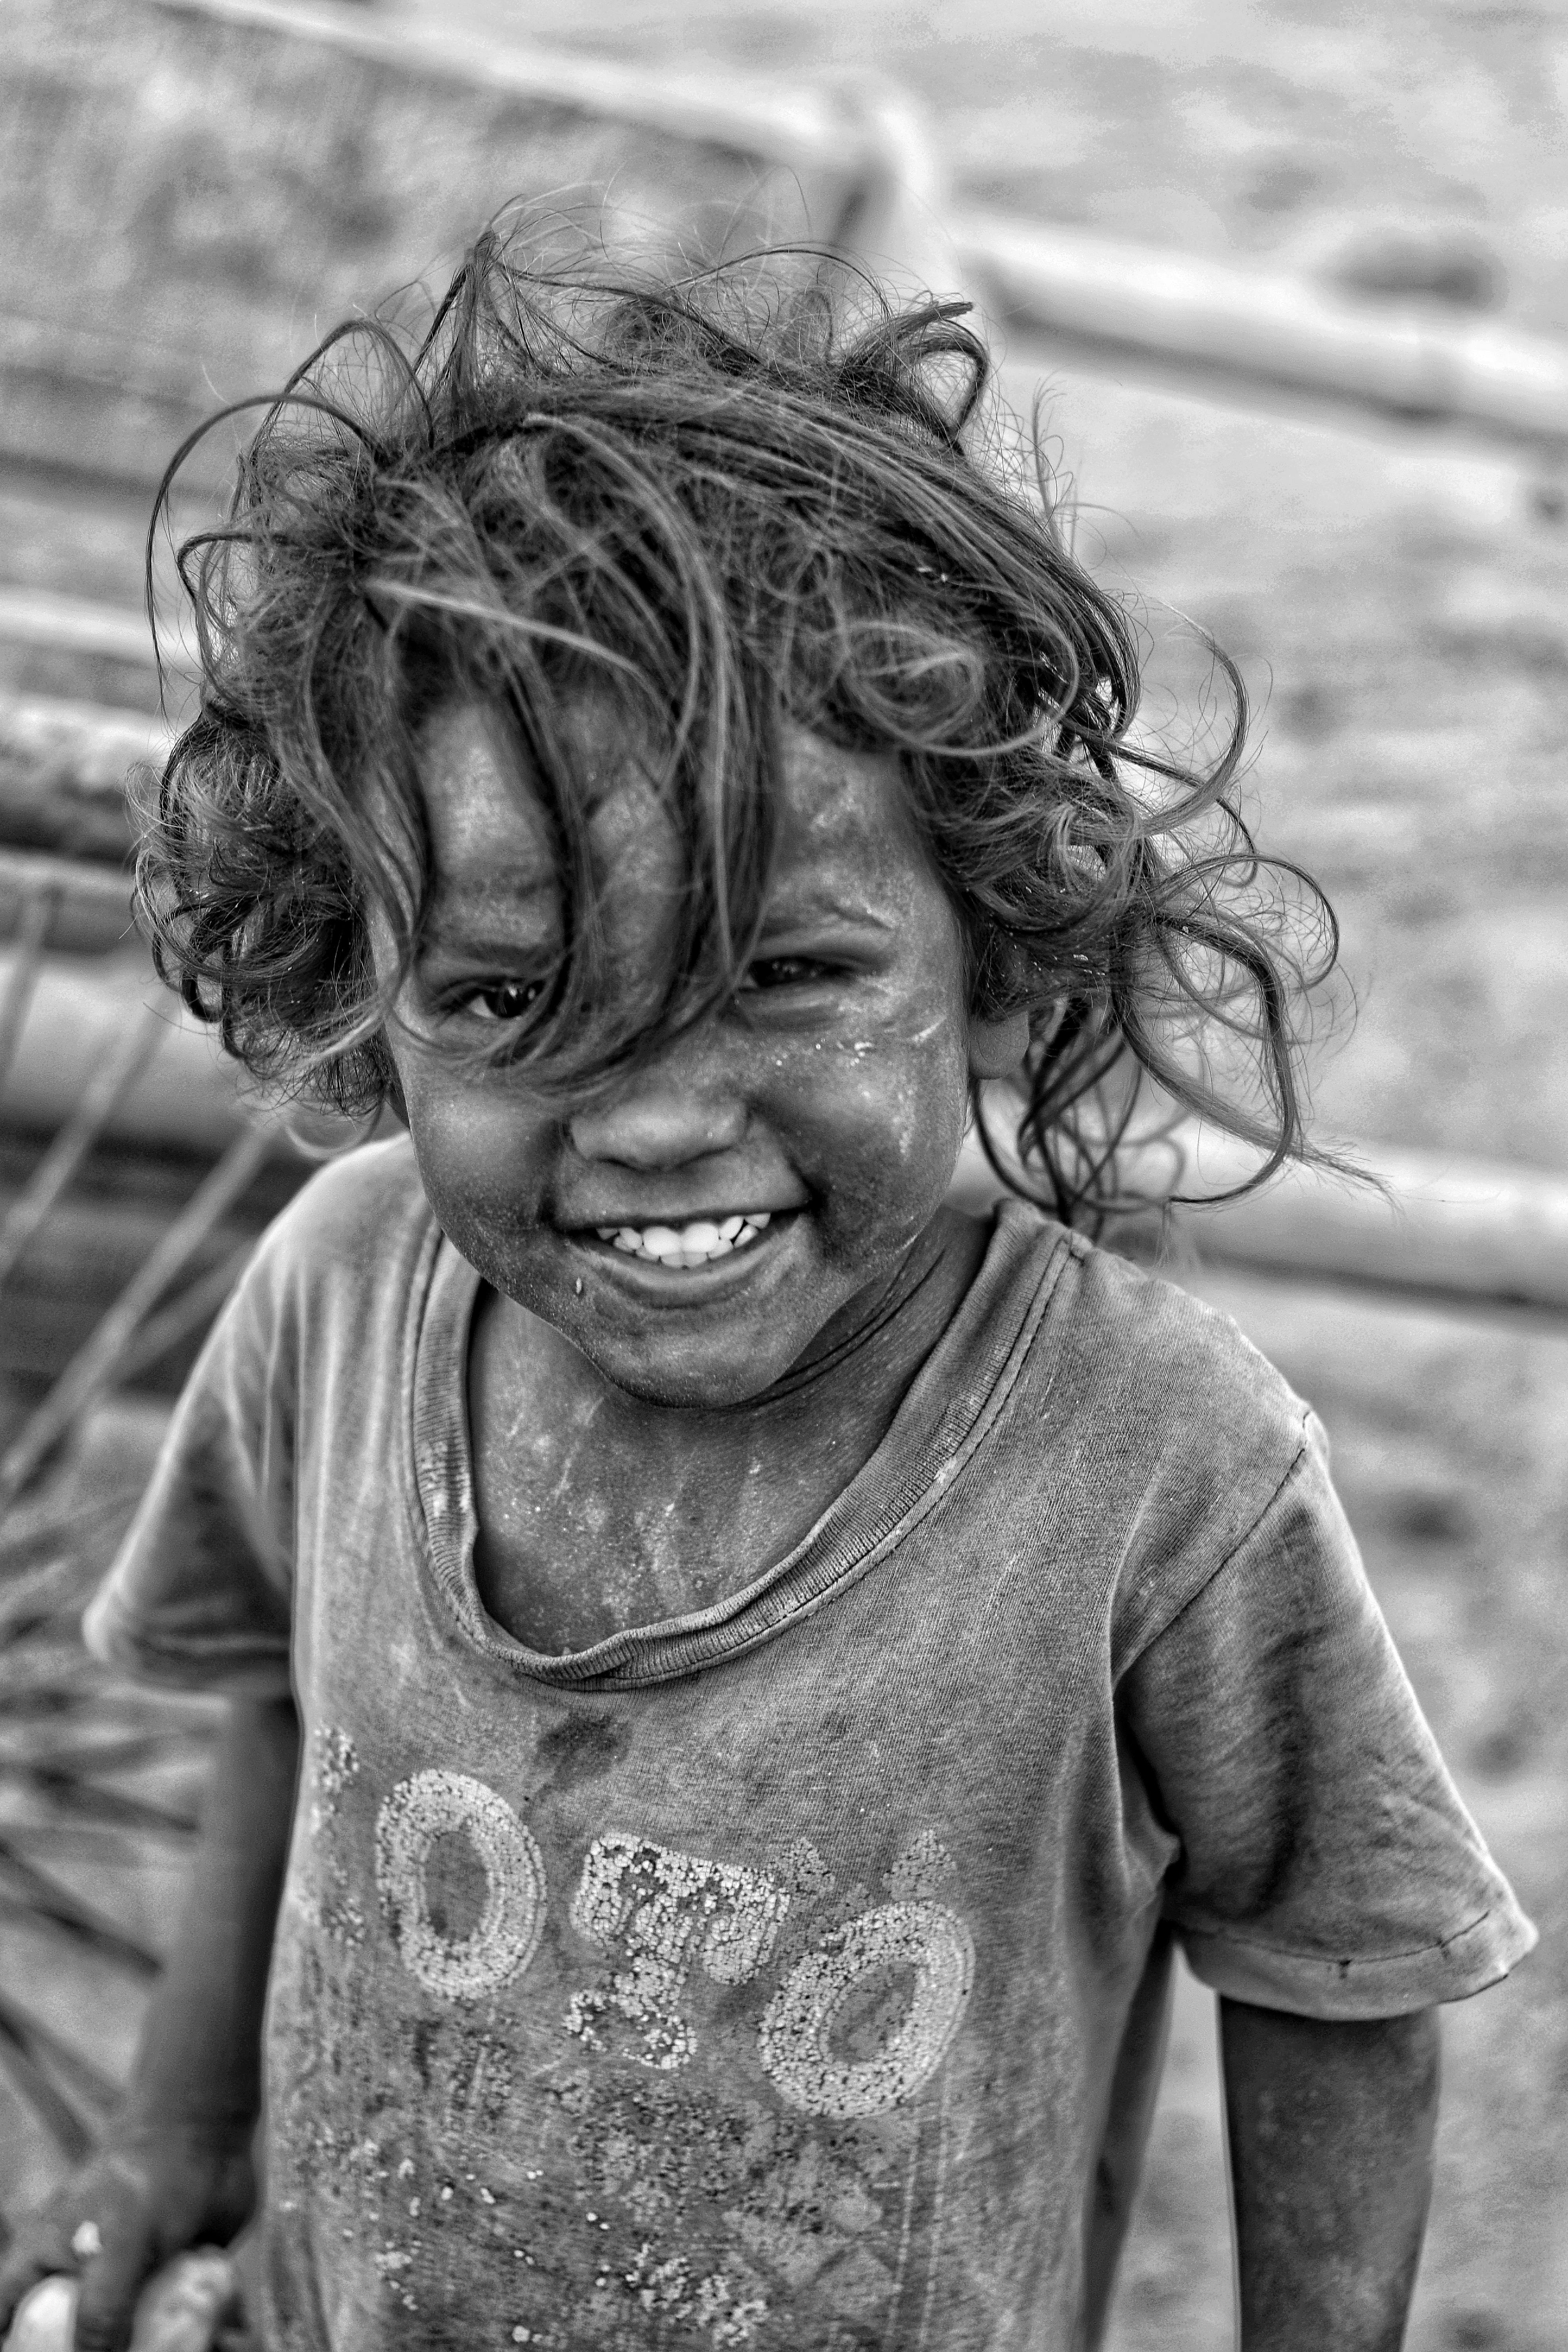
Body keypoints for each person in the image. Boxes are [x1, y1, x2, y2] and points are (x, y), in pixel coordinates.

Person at [0, 229, 1534, 2352]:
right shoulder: (339, 1296)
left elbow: (1339, 1969)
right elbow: (276, 1687)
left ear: (996, 956)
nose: (648, 1122)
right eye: (514, 999)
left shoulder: (1163, 1471)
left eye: (786, 979)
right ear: (366, 998)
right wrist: (176, 2140)